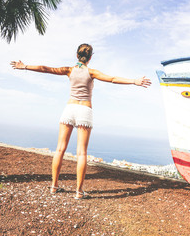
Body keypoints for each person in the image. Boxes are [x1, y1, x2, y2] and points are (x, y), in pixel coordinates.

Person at [11, 44, 151, 199]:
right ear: (90, 58)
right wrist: (134, 81)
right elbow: (112, 79)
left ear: (76, 55)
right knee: (82, 152)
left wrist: (24, 67)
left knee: (59, 150)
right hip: (84, 110)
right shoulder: (91, 72)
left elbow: (46, 69)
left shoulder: (69, 70)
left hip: (69, 109)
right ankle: (78, 192)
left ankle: (54, 187)